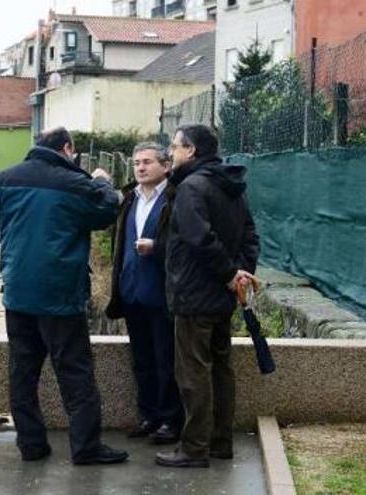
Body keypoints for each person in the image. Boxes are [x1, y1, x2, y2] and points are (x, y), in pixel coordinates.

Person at [0, 127, 128, 466]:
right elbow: (107, 210)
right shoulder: (74, 183)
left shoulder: (5, 179)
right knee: (75, 373)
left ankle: (32, 445)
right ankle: (85, 448)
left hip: (19, 293)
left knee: (23, 373)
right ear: (67, 148)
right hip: (61, 297)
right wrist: (100, 180)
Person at [155, 124, 259, 468]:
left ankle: (194, 449)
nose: (171, 153)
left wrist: (231, 274)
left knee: (193, 373)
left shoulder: (191, 187)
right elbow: (249, 237)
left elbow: (199, 238)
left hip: (194, 294)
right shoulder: (231, 187)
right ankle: (220, 442)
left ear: (192, 151)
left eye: (175, 147)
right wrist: (239, 273)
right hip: (221, 296)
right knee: (221, 369)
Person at [105, 142, 182, 445]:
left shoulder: (175, 198)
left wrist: (157, 247)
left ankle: (169, 420)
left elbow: (183, 242)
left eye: (148, 162)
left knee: (167, 360)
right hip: (132, 293)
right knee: (142, 360)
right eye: (137, 162)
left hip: (163, 294)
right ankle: (148, 415)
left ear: (165, 166)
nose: (140, 167)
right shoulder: (129, 199)